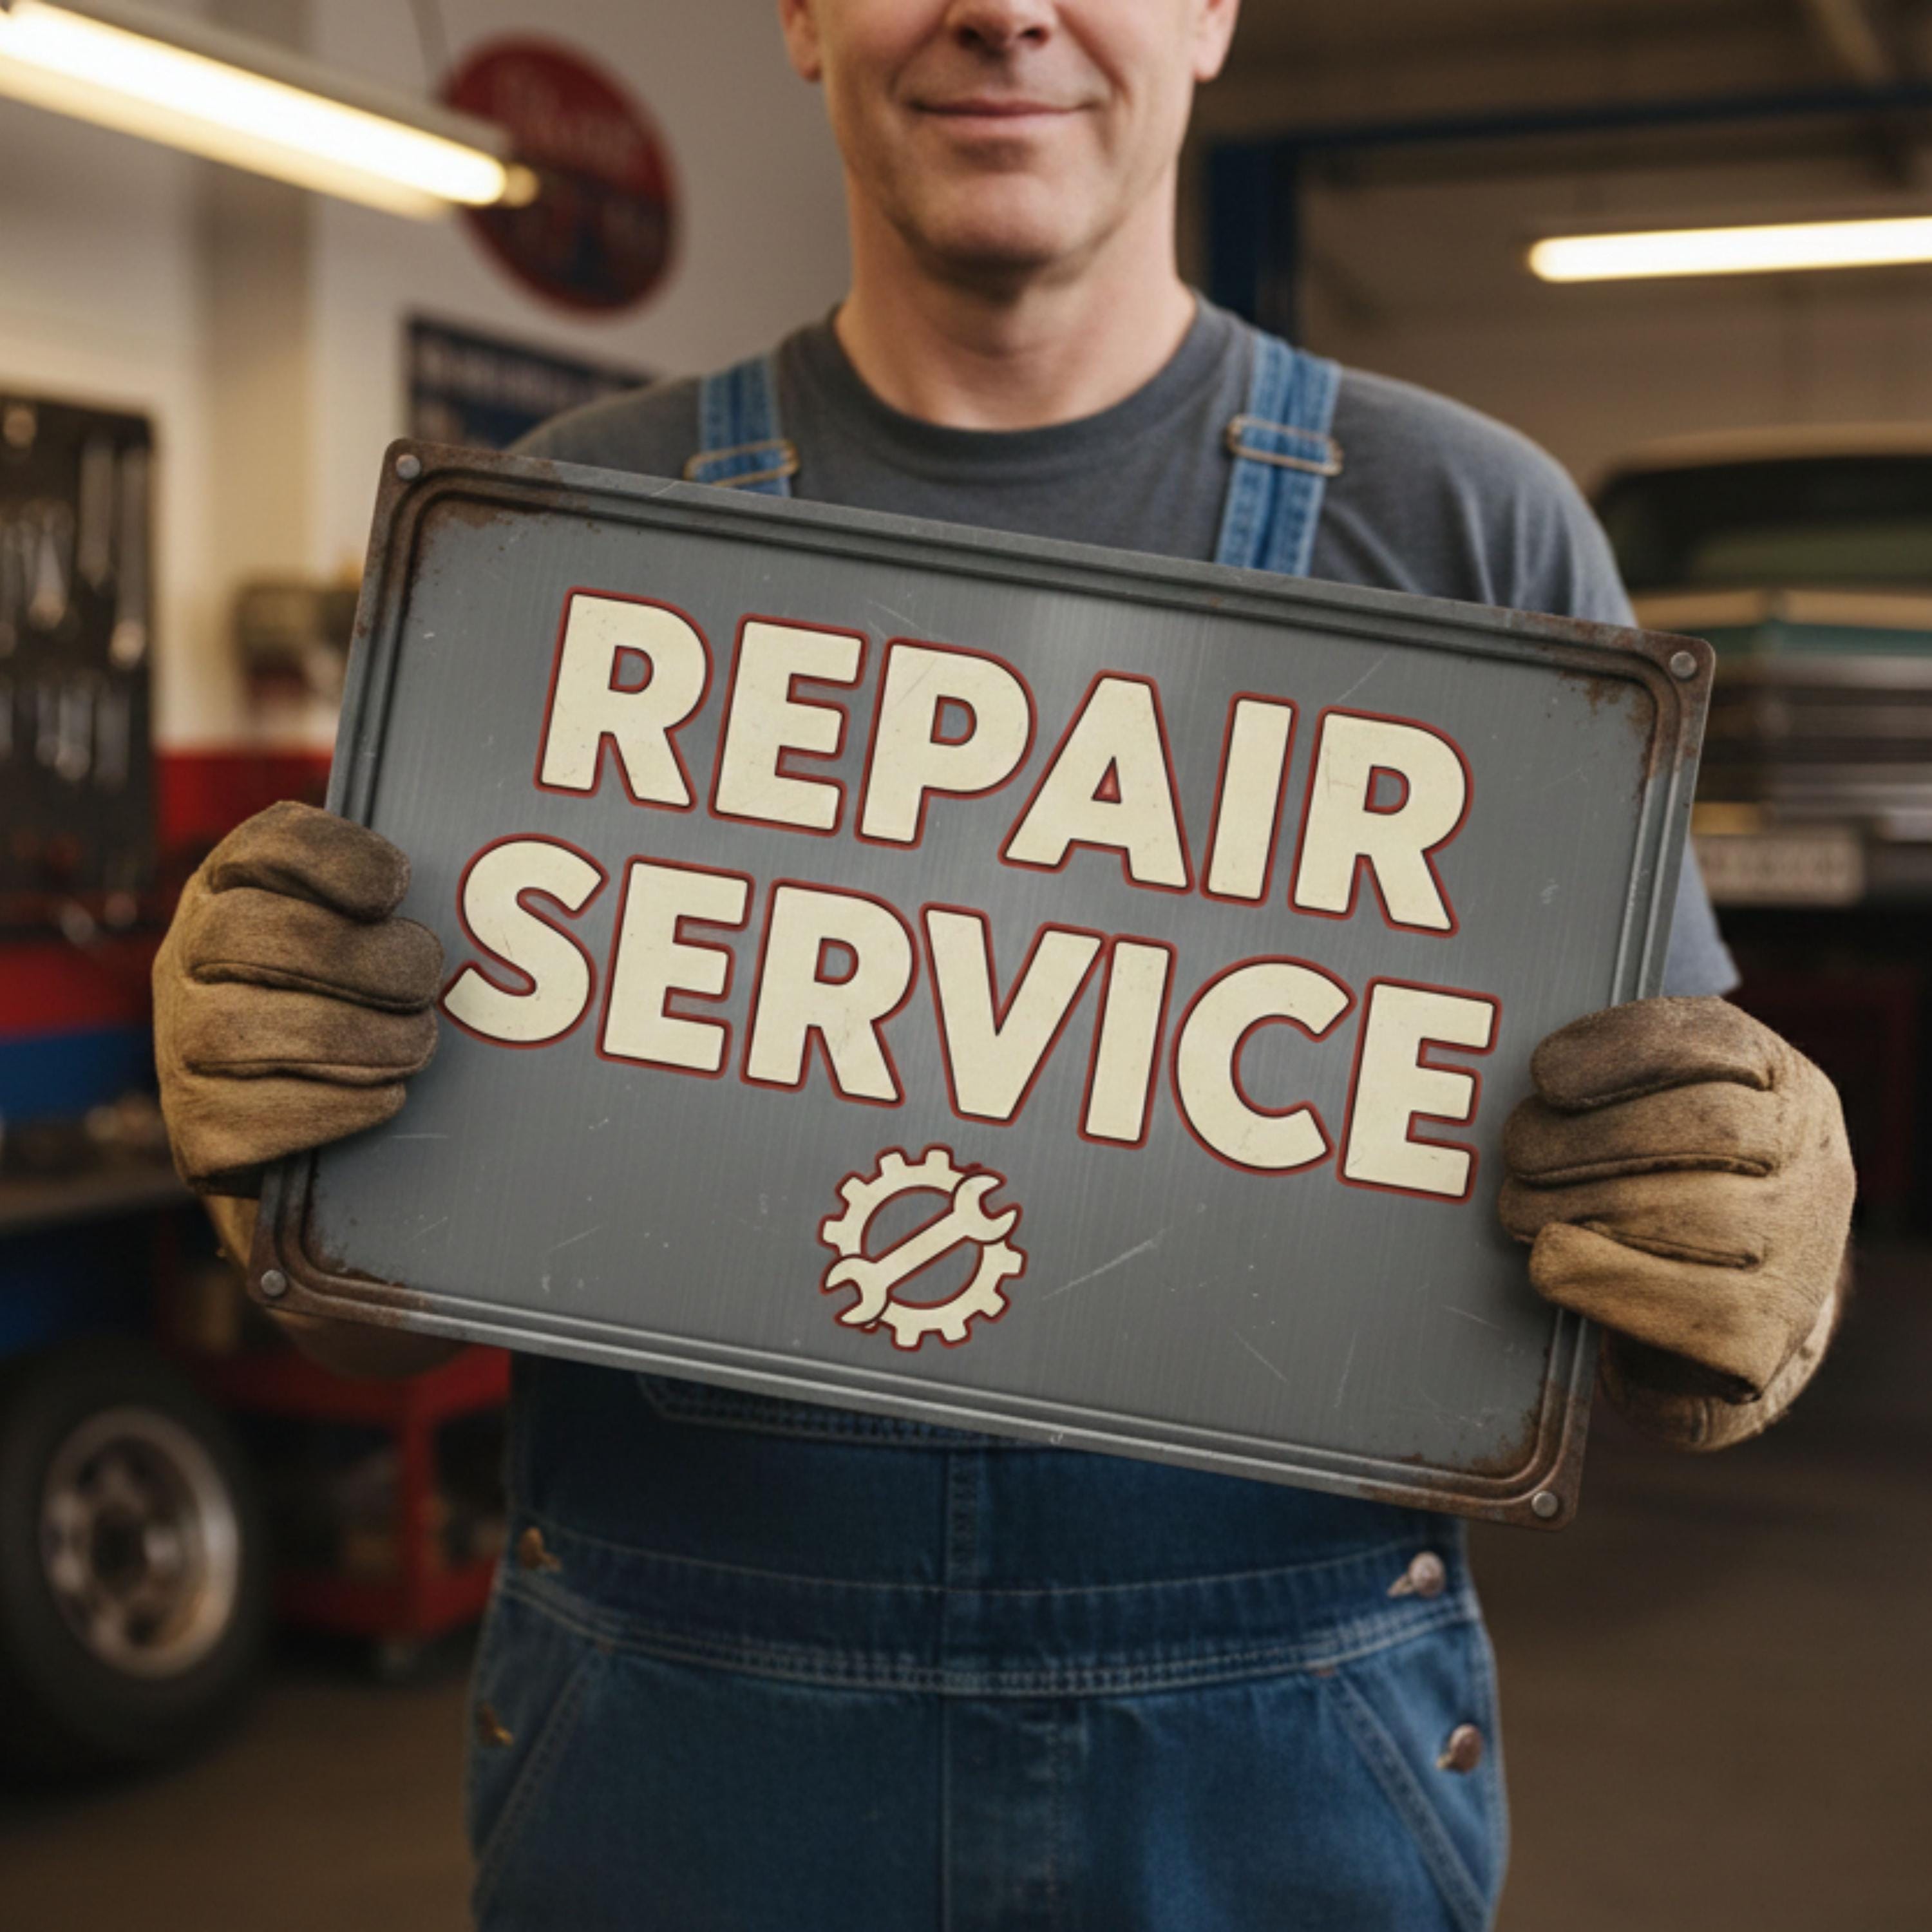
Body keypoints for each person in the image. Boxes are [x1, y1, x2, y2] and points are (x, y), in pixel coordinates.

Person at [151, 2, 1856, 1925]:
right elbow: (392, 1303)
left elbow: (1633, 1247)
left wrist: (1738, 1247)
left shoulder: (1469, 531)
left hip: (1276, 1776)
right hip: (677, 1764)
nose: (1005, 8)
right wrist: (287, 1168)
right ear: (799, 15)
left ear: (1212, 12)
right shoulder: (553, 548)